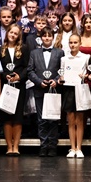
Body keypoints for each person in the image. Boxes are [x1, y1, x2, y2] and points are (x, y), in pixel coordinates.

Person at [27, 28, 64, 157]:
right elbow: (30, 70)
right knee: (41, 119)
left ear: (53, 37)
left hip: (54, 90)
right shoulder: (34, 53)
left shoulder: (60, 52)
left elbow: (62, 69)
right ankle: (43, 145)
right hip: (40, 89)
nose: (47, 38)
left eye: (49, 36)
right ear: (41, 37)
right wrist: (38, 82)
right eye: (45, 36)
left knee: (53, 119)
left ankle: (53, 145)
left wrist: (56, 80)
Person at [0, 24, 28, 156]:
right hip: (5, 86)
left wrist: (19, 76)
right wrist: (6, 76)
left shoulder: (24, 49)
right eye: (11, 32)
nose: (13, 35)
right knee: (7, 117)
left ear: (18, 36)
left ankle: (16, 147)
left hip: (19, 87)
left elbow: (28, 67)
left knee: (17, 117)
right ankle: (9, 147)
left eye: (16, 33)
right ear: (7, 33)